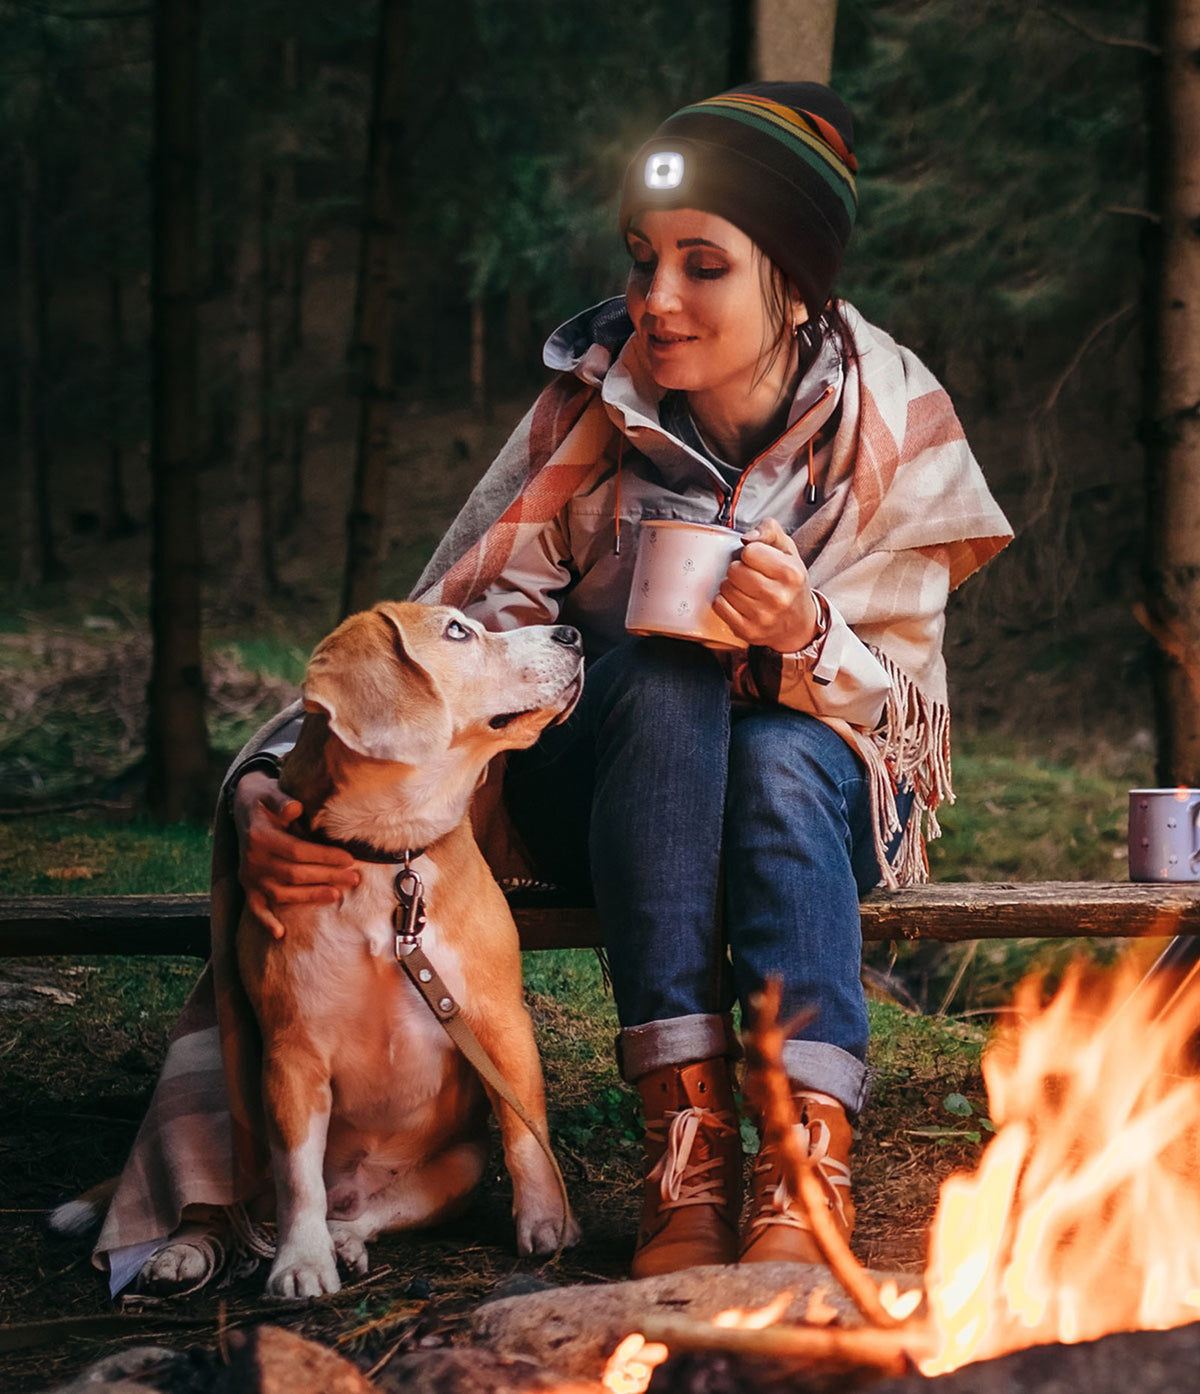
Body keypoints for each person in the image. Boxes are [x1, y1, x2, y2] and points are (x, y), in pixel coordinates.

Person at [93, 81, 1011, 1292]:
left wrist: (807, 633)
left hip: (813, 811)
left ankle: (802, 1157)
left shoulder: (891, 424)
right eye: (643, 262)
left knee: (784, 754)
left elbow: (898, 716)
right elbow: (436, 640)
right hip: (610, 803)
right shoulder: (591, 406)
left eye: (703, 265)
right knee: (667, 677)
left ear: (794, 277)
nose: (655, 300)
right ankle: (681, 1144)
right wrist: (275, 782)